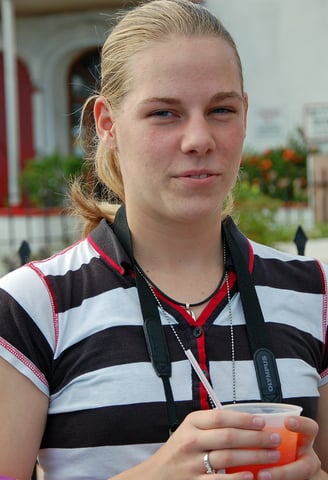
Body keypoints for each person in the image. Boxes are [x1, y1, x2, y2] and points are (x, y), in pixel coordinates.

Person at [0, 0, 327, 479]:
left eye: (221, 109)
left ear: (245, 113)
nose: (199, 138)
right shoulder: (35, 305)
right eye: (164, 113)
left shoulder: (313, 293)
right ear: (107, 125)